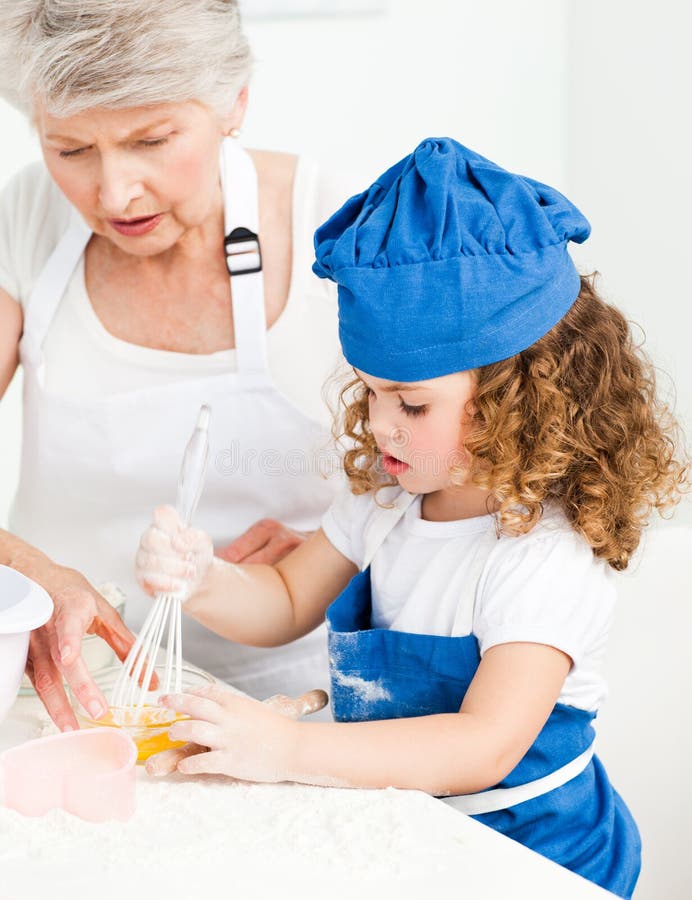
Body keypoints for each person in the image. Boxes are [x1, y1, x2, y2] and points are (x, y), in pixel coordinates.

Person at [135, 137, 689, 897]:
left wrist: (287, 748)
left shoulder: (542, 555)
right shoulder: (384, 504)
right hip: (412, 834)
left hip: (533, 860)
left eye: (412, 403)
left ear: (517, 398)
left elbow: (481, 746)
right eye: (369, 392)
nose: (381, 424)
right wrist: (201, 578)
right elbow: (286, 603)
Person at [0, 0, 361, 730]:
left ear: (235, 103)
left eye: (153, 140)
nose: (114, 193)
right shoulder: (29, 218)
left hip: (297, 709)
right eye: (70, 149)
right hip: (75, 699)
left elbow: (468, 475)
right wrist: (27, 575)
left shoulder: (341, 225)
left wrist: (347, 553)